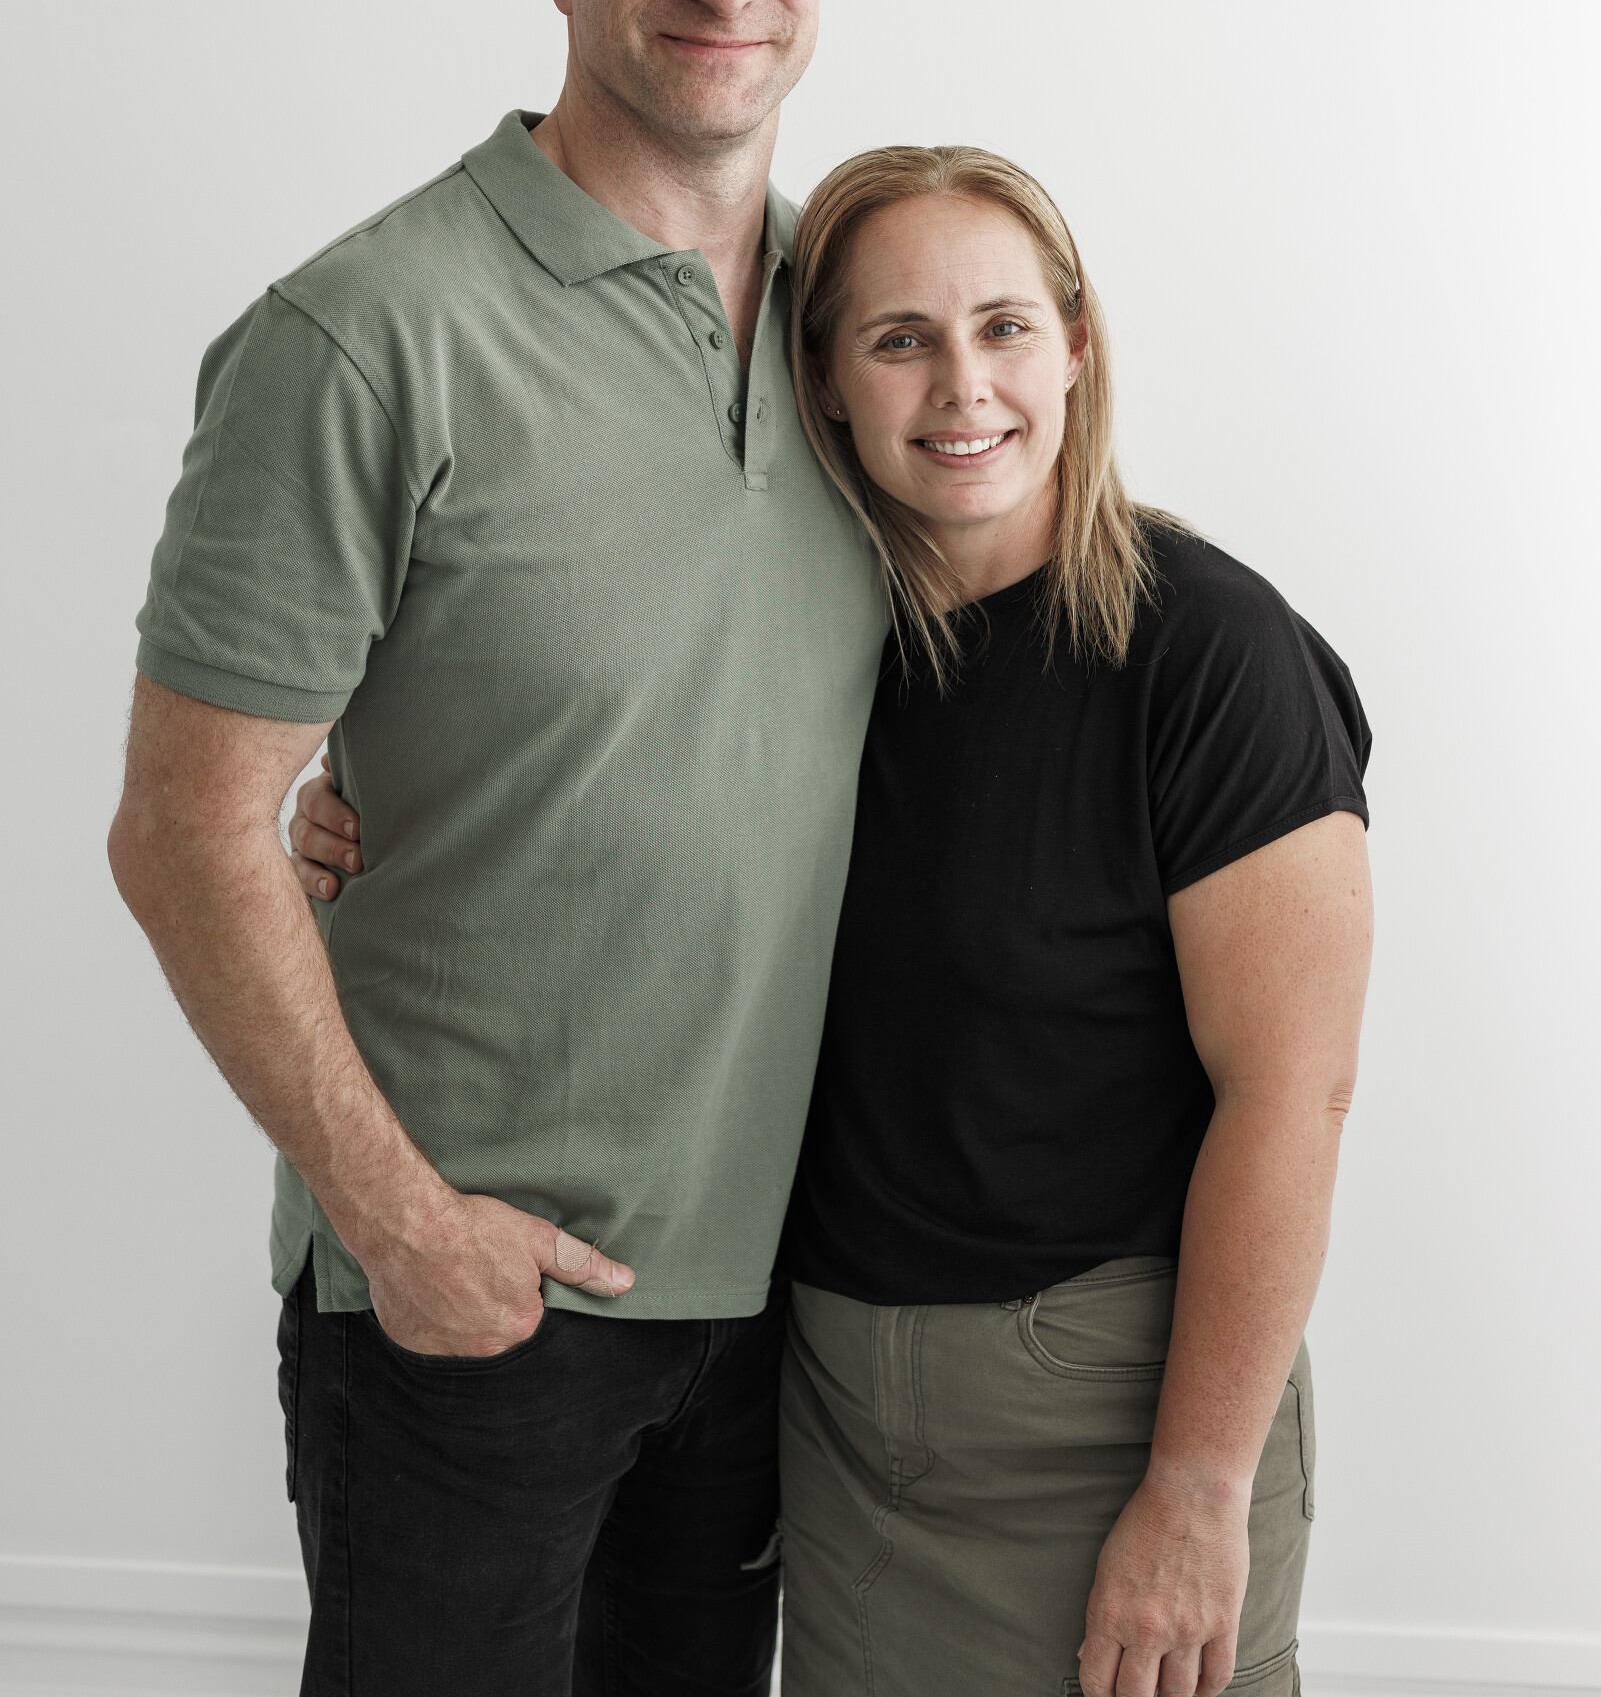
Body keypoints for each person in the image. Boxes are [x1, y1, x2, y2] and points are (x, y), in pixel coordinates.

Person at [295, 143, 1374, 1697]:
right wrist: (359, 813)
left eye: (1004, 327)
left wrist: (1197, 1490)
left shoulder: (1206, 652)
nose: (961, 386)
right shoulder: (812, 633)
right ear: (821, 381)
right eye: (898, 338)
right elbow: (599, 807)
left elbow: (1293, 1095)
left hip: (1100, 1410)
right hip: (828, 1413)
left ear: (1076, 346)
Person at [107, 0, 887, 1697]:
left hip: (773, 1308)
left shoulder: (861, 335)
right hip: (468, 1309)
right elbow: (182, 829)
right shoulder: (363, 335)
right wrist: (399, 1226)